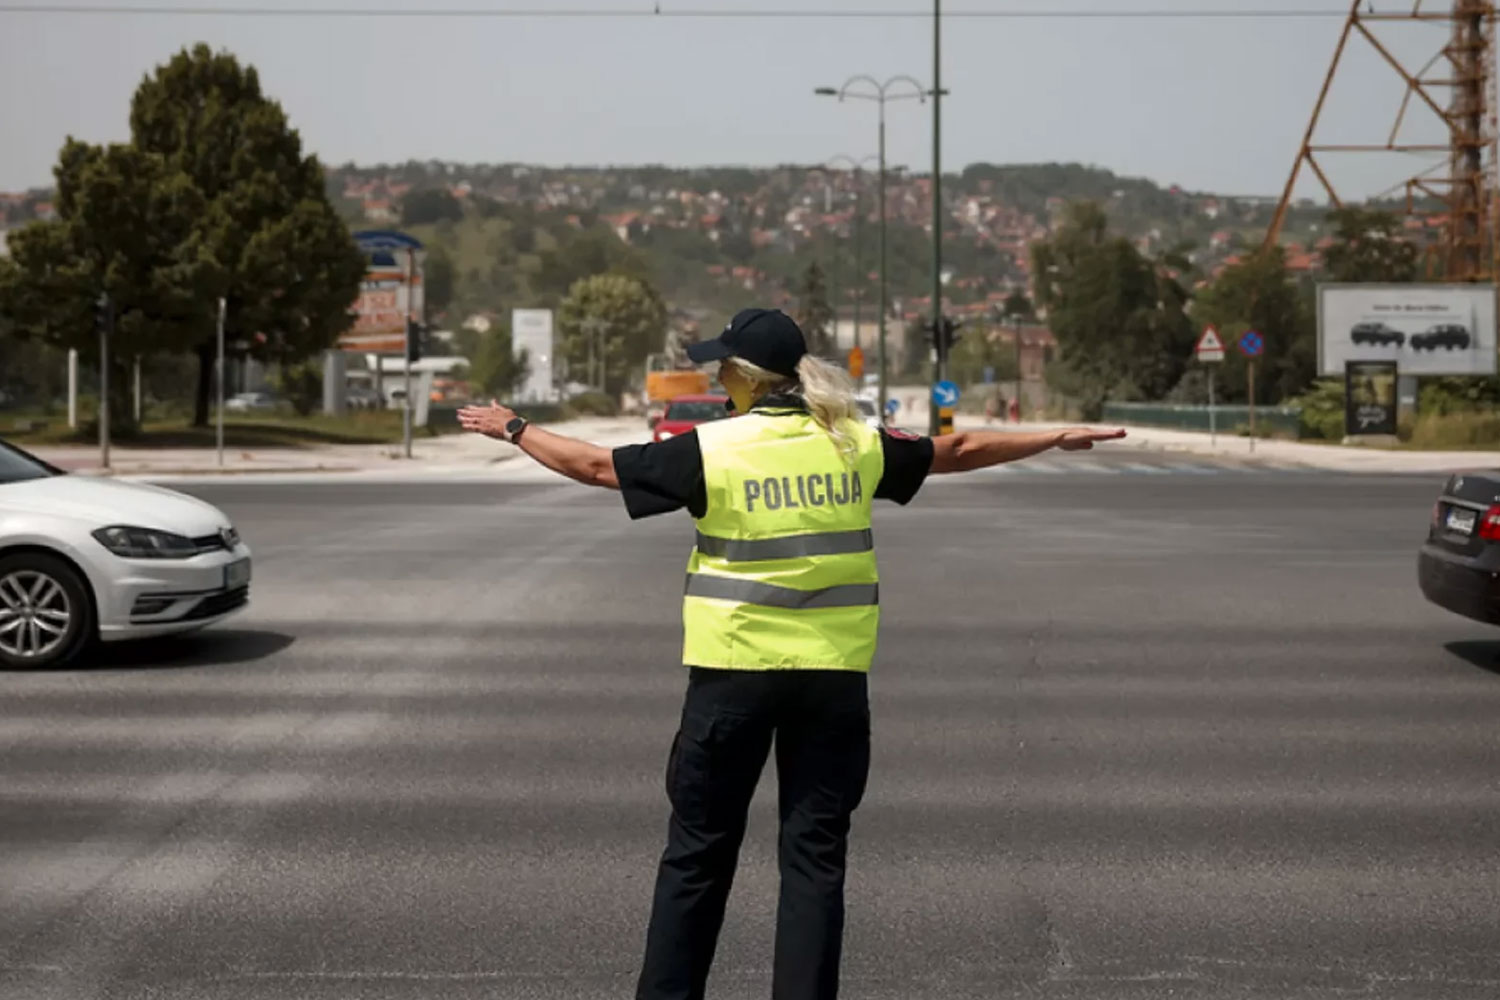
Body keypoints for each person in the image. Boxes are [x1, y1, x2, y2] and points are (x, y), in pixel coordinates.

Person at [457, 308, 1125, 1000]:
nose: (717, 376)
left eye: (722, 366)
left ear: (746, 378)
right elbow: (955, 452)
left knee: (697, 858)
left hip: (733, 680)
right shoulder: (852, 443)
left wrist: (513, 427)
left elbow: (598, 467)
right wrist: (1055, 435)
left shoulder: (713, 448)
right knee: (814, 863)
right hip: (832, 684)